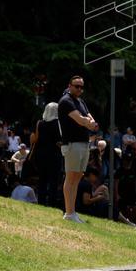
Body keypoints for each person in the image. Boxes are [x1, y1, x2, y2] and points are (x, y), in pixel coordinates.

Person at [58, 76, 97, 223]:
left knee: (78, 176)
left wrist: (88, 122)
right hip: (72, 144)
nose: (79, 89)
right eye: (76, 86)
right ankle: (68, 212)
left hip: (83, 143)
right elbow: (80, 120)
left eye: (81, 87)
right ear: (70, 85)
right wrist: (88, 122)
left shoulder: (80, 101)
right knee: (71, 177)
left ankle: (72, 211)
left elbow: (89, 118)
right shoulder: (66, 101)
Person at [31, 102, 62, 207]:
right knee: (54, 181)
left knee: (42, 180)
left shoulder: (40, 123)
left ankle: (41, 201)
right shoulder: (57, 123)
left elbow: (36, 138)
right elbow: (59, 141)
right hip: (54, 155)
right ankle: (52, 203)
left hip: (41, 154)